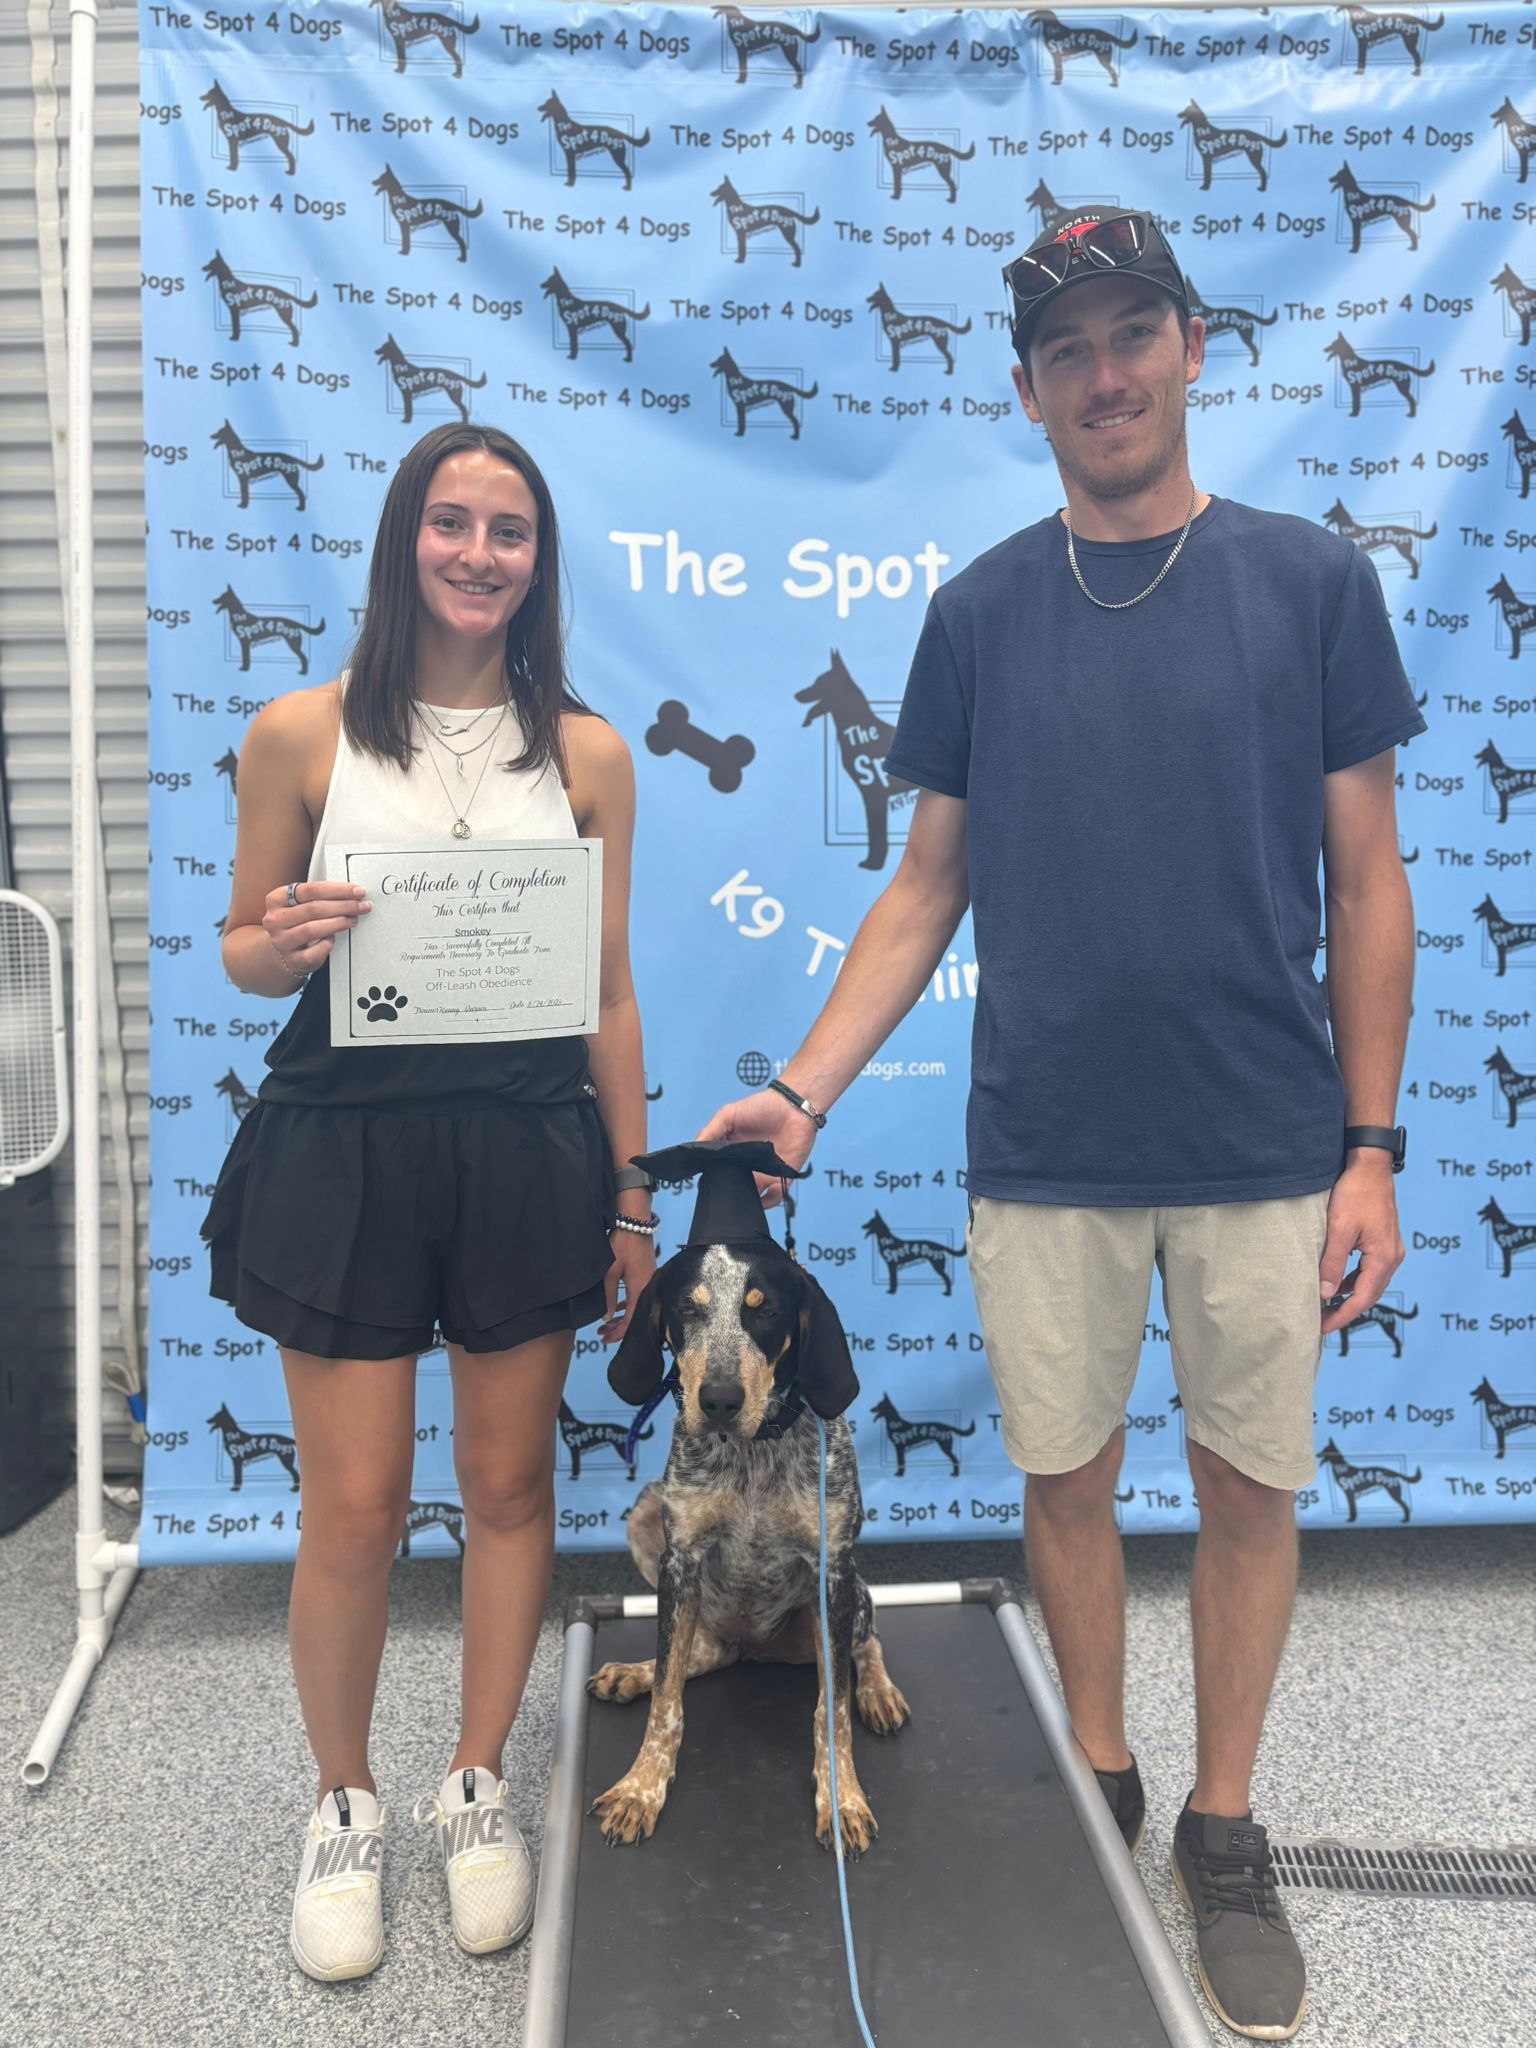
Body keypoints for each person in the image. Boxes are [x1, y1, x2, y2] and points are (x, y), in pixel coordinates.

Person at [699, 211, 1424, 2041]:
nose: (1104, 375)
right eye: (1066, 351)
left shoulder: (1314, 583)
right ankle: (1101, 1779)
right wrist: (798, 1089)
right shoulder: (980, 615)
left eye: (1132, 333)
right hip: (1049, 1143)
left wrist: (1373, 1146)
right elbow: (924, 887)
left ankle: (1224, 1818)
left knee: (1252, 1491)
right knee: (1070, 1485)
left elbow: (1370, 879)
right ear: (1025, 392)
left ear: (1193, 344)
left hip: (1269, 1143)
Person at [202, 421, 656, 1982]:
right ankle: (342, 1805)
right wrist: (289, 932)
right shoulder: (299, 734)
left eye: (509, 531)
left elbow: (606, 996)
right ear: (407, 543)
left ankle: (476, 1786)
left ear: (539, 563)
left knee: (513, 1488)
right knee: (355, 1509)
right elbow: (241, 950)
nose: (479, 553)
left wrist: (633, 1202)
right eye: (452, 524)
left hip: (529, 1145)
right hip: (345, 1145)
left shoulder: (589, 756)